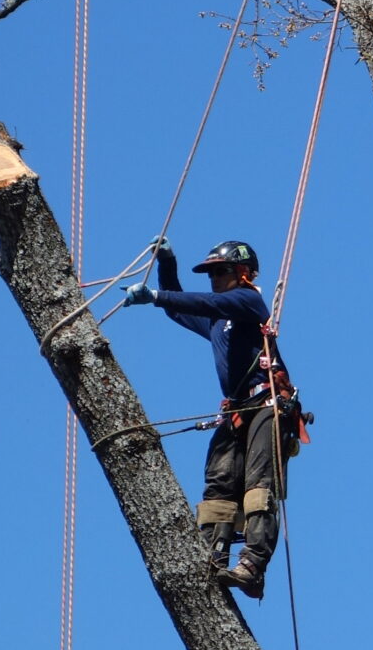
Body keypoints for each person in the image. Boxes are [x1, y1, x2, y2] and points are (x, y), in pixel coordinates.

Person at [121, 240, 303, 600]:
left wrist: (156, 295)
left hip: (267, 405)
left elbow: (203, 302)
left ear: (242, 273)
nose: (214, 279)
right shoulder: (218, 321)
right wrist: (167, 264)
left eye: (220, 271)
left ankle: (252, 565)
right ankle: (213, 554)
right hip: (237, 412)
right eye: (211, 273)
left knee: (257, 484)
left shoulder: (249, 302)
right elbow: (180, 307)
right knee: (219, 483)